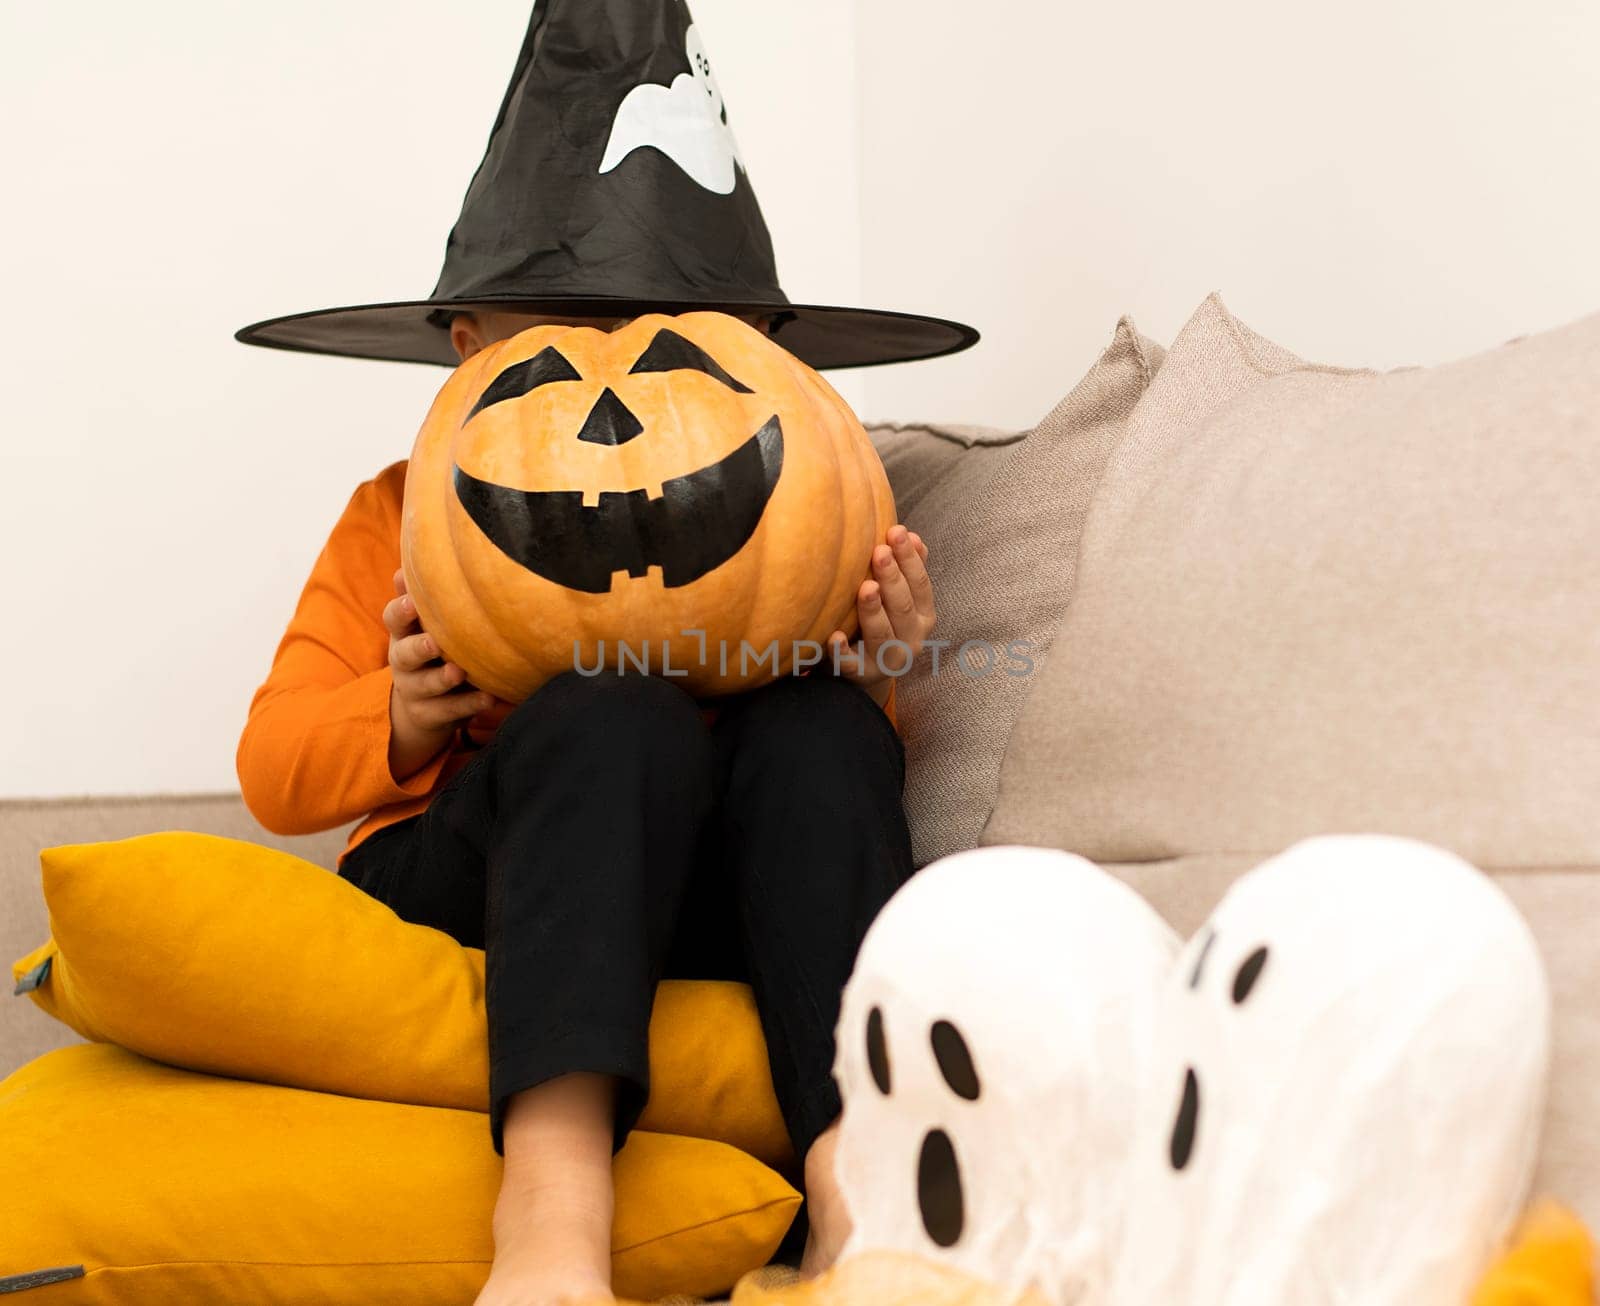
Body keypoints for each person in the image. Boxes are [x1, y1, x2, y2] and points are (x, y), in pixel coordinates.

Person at [234, 3, 977, 1301]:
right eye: (563, 346)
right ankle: (553, 1210)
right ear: (466, 349)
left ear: (756, 365)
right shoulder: (397, 511)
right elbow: (272, 769)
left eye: (674, 347)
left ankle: (859, 1190)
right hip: (472, 884)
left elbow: (810, 810)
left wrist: (875, 682)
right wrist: (400, 714)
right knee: (603, 703)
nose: (613, 395)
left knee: (813, 727)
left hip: (701, 888)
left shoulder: (798, 500)